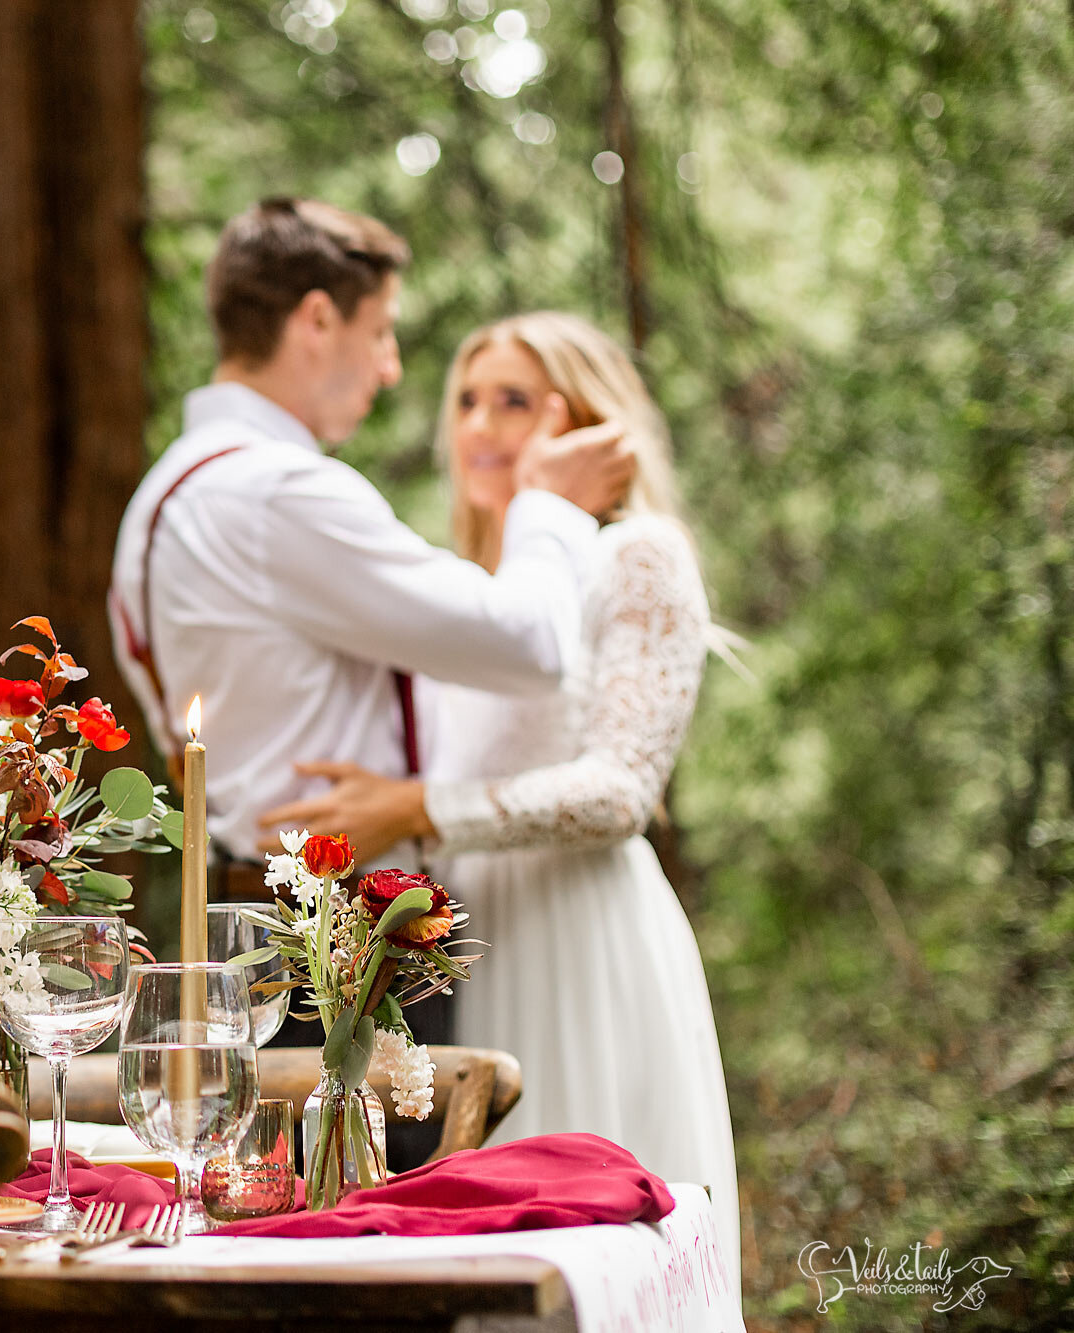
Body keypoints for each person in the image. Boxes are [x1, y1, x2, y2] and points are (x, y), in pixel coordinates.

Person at [256, 310, 741, 1290]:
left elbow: (618, 791)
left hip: (585, 935)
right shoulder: (475, 596)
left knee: (585, 1221)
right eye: (467, 402)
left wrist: (417, 807)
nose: (480, 425)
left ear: (584, 422)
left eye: (514, 401)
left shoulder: (633, 555)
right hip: (471, 953)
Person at [108, 199, 633, 1078]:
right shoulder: (281, 491)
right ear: (317, 319)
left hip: (245, 917)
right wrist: (548, 503)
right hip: (348, 947)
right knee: (370, 1207)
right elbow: (531, 645)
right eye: (380, 331)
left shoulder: (157, 503)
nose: (390, 368)